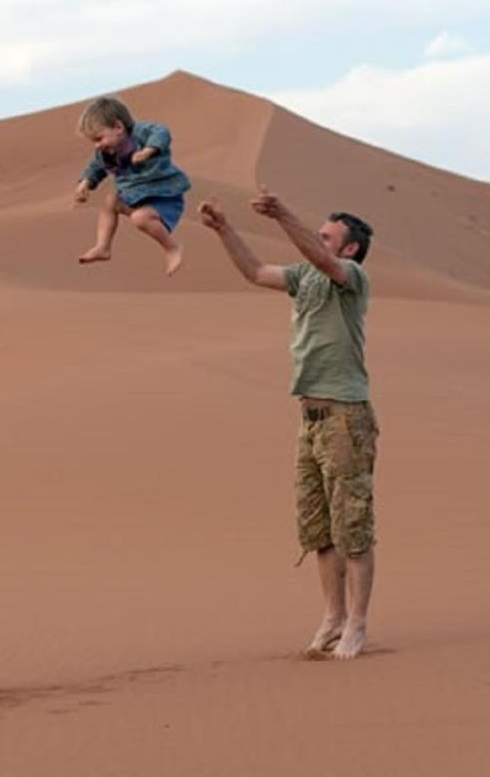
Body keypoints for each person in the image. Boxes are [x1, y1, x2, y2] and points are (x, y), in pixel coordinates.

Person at [199, 189, 379, 660]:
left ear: (349, 247)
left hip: (346, 415)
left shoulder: (350, 277)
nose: (319, 240)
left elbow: (322, 259)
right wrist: (224, 229)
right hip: (311, 419)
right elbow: (256, 272)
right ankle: (332, 617)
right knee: (318, 529)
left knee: (352, 526)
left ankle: (357, 623)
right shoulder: (304, 278)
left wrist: (283, 214)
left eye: (328, 235)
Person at [74, 95, 191, 276]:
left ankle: (172, 248)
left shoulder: (140, 133)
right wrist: (85, 183)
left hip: (164, 197)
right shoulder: (105, 154)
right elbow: (96, 168)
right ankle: (103, 247)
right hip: (135, 198)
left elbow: (161, 132)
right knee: (110, 201)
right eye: (94, 142)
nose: (97, 146)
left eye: (99, 138)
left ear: (119, 127)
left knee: (140, 218)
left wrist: (148, 150)